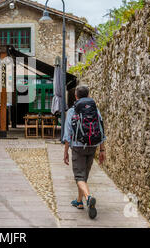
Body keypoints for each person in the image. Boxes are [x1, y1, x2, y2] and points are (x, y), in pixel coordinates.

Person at [63, 86, 106, 220]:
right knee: (84, 175)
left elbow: (68, 133)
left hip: (78, 146)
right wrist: (102, 150)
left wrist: (65, 151)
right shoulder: (95, 110)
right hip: (92, 146)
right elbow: (101, 129)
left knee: (79, 177)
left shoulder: (72, 111)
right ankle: (79, 201)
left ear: (76, 96)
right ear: (88, 95)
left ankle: (88, 198)